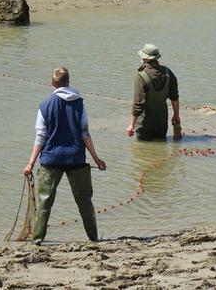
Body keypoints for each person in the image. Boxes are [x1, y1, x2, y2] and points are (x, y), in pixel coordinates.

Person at [23, 67, 106, 244]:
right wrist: (97, 159)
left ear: (52, 84)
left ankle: (37, 239)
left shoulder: (45, 105)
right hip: (76, 157)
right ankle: (93, 238)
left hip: (50, 159)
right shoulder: (79, 103)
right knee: (84, 201)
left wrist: (30, 163)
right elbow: (85, 134)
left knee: (45, 201)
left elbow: (40, 137)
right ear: (68, 82)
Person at [126, 44, 180, 141]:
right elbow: (175, 98)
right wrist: (176, 116)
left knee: (142, 153)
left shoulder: (141, 76)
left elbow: (138, 104)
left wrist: (131, 125)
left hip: (144, 125)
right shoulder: (168, 73)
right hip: (162, 124)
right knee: (161, 151)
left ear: (145, 58)